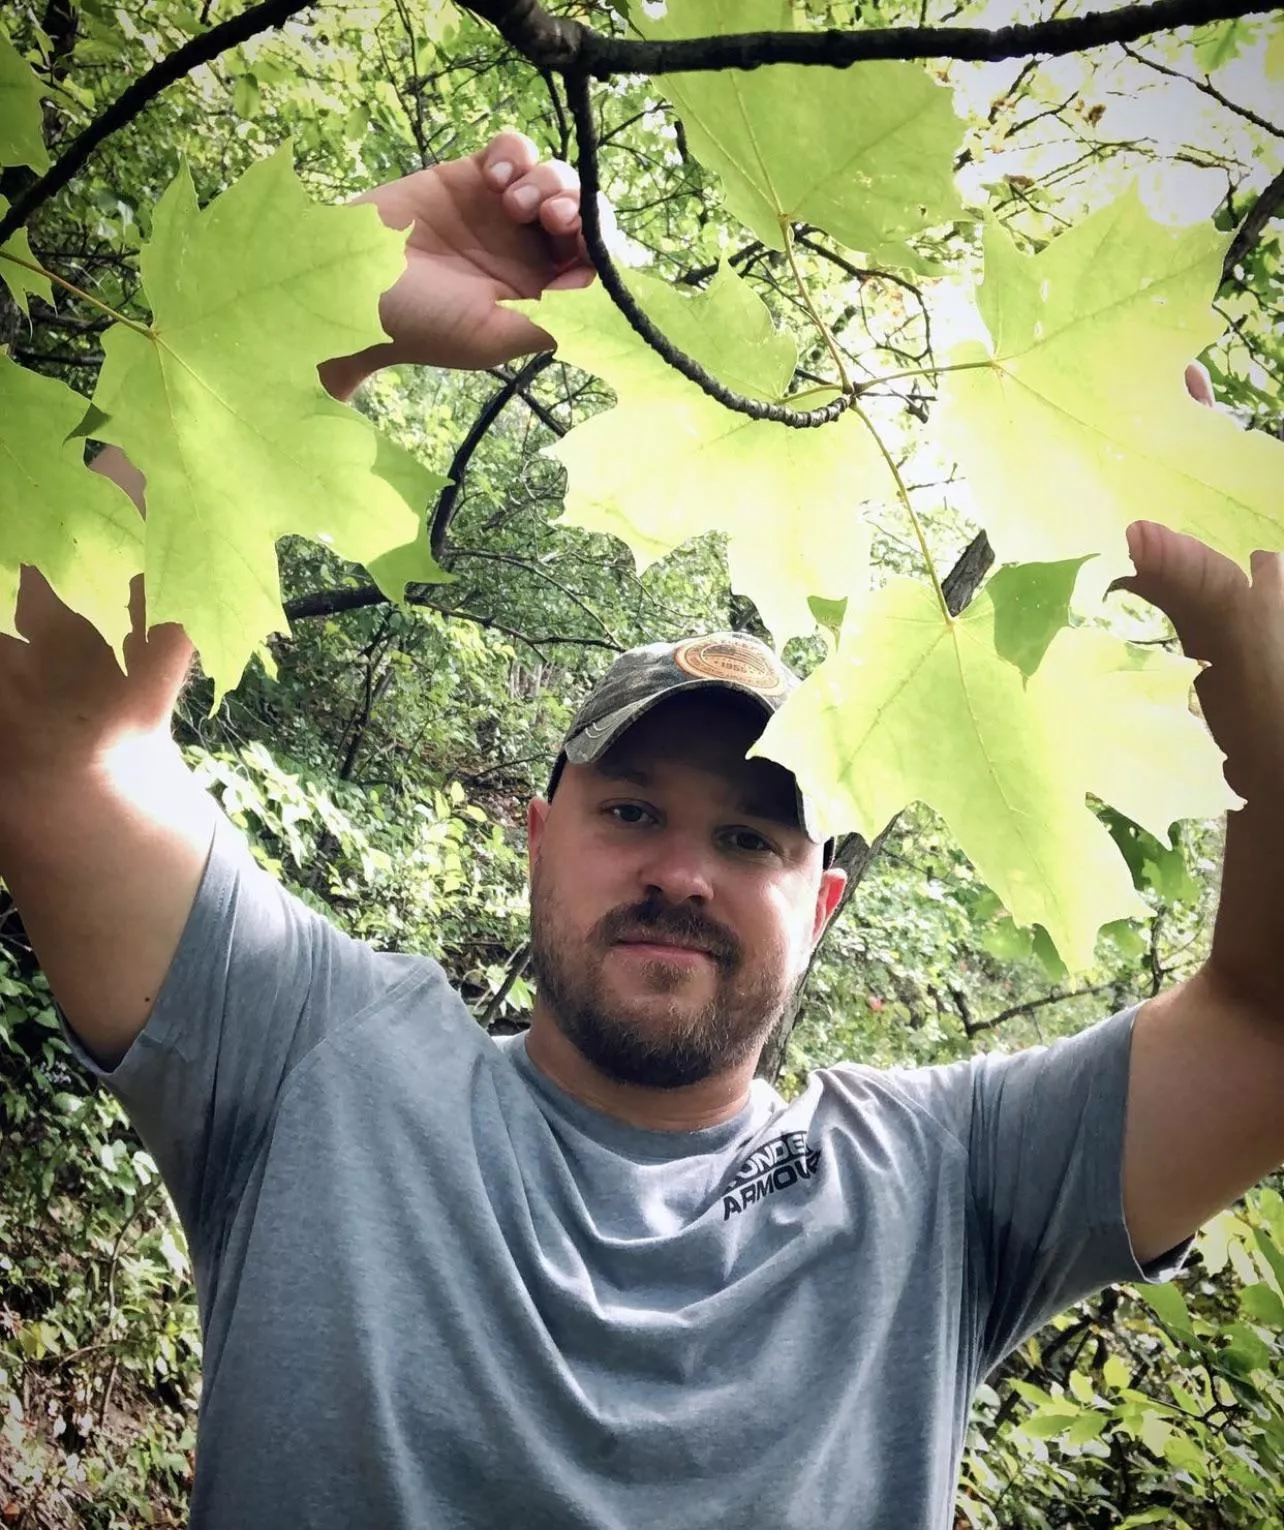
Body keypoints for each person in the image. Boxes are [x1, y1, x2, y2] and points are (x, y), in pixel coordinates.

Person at [2, 130, 1283, 1530]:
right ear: (536, 836)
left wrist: (1250, 641)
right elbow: (53, 743)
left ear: (825, 904)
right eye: (629, 810)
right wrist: (334, 293)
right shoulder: (319, 1063)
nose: (682, 872)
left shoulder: (940, 1182)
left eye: (752, 839)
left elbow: (1266, 1025)